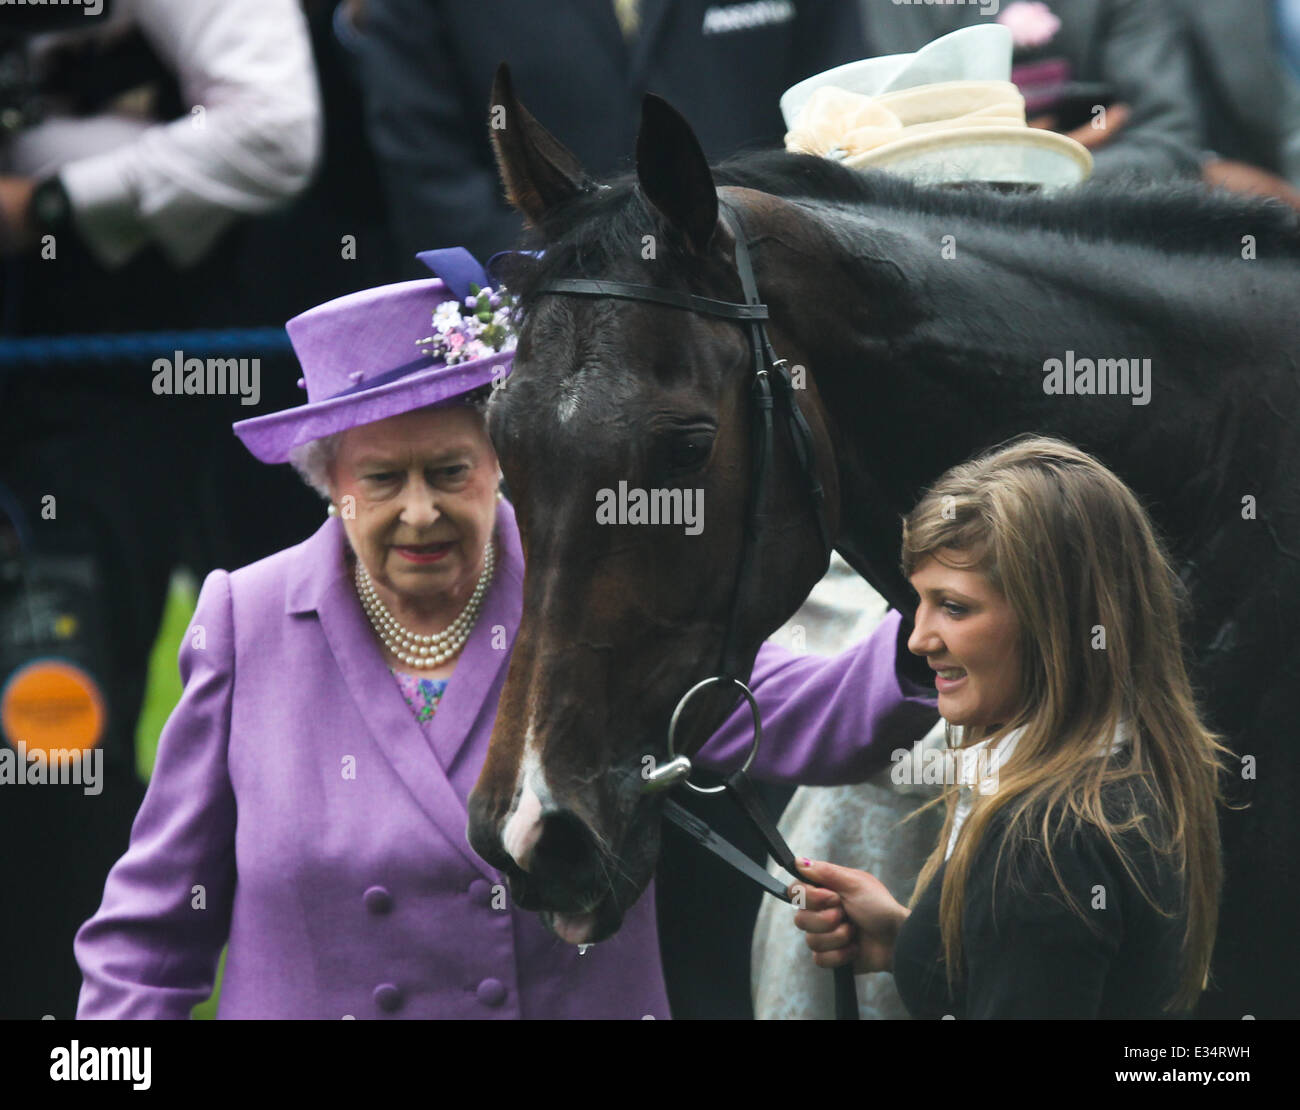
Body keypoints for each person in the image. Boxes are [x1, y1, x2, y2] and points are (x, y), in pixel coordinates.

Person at [73, 249, 939, 1019]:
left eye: (450, 471)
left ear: (502, 458)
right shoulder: (246, 622)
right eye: (382, 480)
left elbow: (791, 712)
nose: (421, 512)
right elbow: (148, 939)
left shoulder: (592, 583)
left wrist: (933, 624)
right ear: (330, 482)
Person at [792, 436, 1229, 1018]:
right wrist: (914, 944)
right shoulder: (1133, 773)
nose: (919, 639)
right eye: (918, 602)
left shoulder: (1043, 846)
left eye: (953, 607)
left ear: (1057, 623)